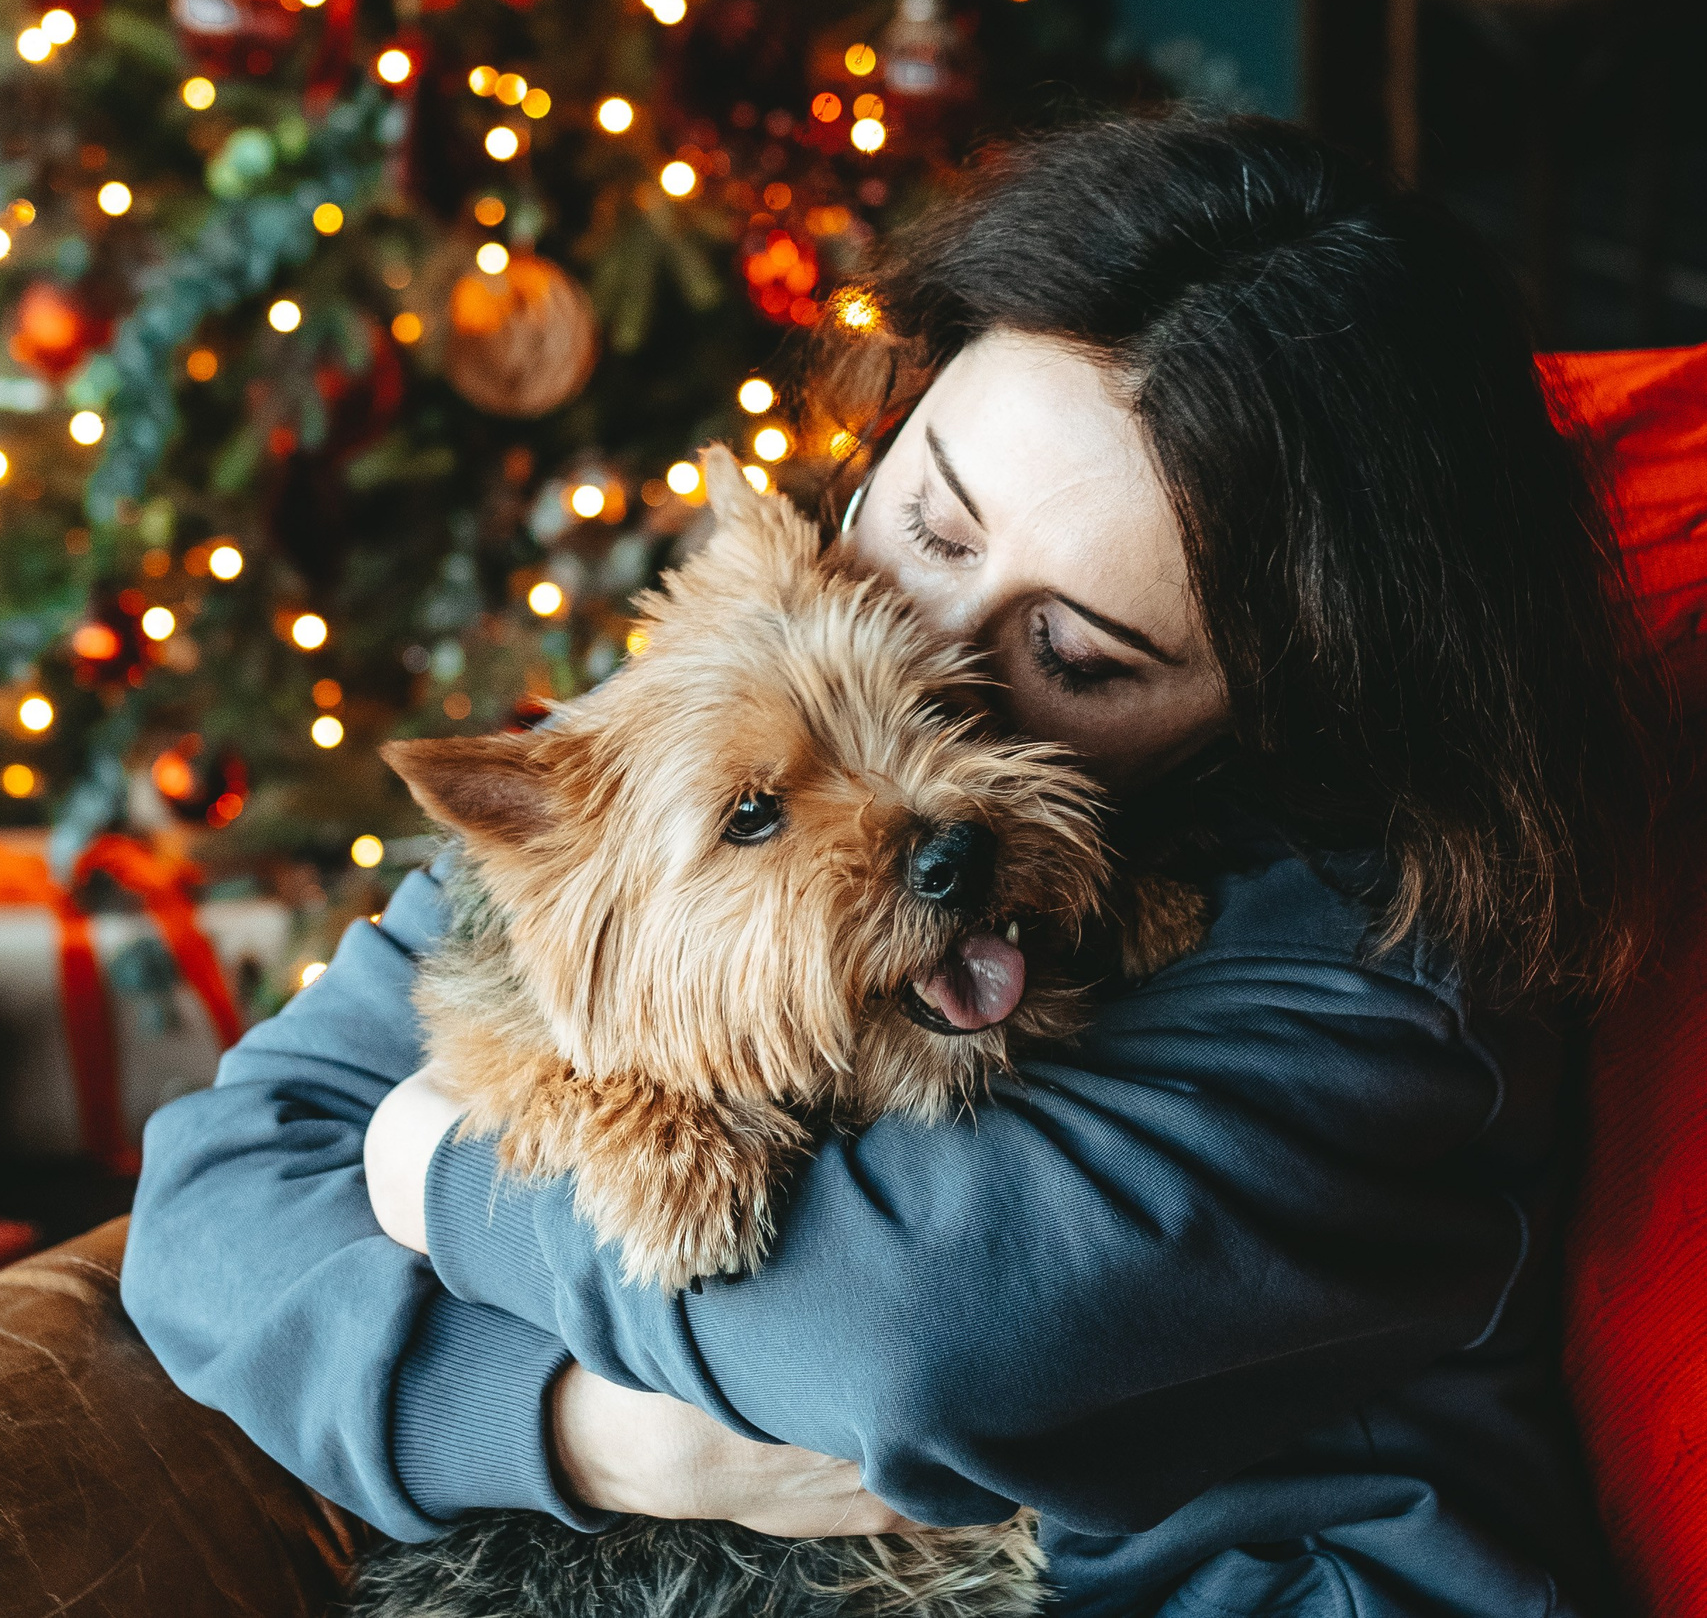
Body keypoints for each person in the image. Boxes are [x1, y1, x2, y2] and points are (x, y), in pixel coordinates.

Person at [121, 113, 1663, 1617]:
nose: (915, 667)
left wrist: (434, 1166)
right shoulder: (745, 697)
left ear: (1296, 697)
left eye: (1072, 653)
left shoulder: (1388, 947)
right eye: (926, 526)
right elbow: (213, 1201)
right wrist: (607, 1438)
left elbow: (909, 1347)